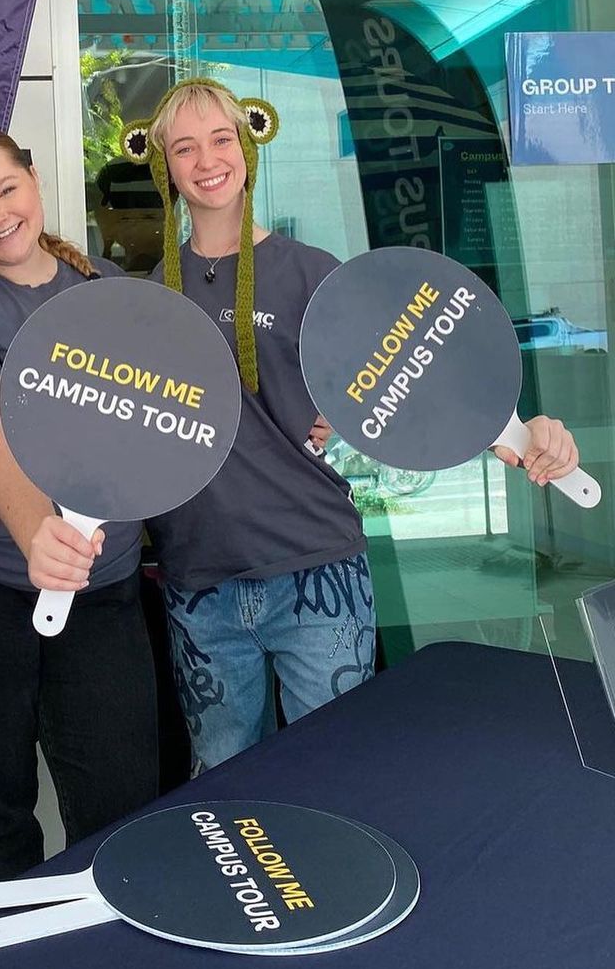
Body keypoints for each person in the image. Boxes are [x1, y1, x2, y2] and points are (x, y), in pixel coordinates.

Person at [116, 77, 581, 774]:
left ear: (247, 147)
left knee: (335, 776)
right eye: (184, 148)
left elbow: (413, 371)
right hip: (199, 577)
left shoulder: (312, 274)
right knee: (223, 780)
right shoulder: (152, 293)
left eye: (221, 138)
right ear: (165, 168)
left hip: (315, 567)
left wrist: (517, 434)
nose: (207, 160)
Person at [0, 126, 159, 884]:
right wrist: (38, 532)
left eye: (6, 190)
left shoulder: (108, 288)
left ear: (35, 180)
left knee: (121, 808)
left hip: (100, 585)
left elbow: (172, 418)